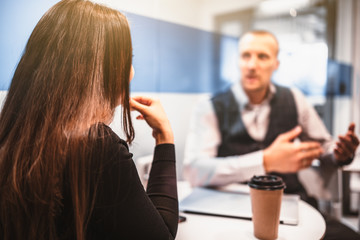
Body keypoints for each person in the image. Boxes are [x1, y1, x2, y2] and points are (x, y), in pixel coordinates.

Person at [0, 1, 178, 240]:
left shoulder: (13, 136)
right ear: (98, 68)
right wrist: (165, 137)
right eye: (127, 60)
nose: (132, 72)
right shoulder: (97, 147)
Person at [183, 30, 360, 239]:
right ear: (238, 61)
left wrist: (339, 155)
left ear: (276, 63)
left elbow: (323, 147)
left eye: (262, 56)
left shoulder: (294, 98)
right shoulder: (209, 106)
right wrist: (265, 160)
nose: (251, 65)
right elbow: (194, 170)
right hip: (230, 208)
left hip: (294, 202)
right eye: (245, 55)